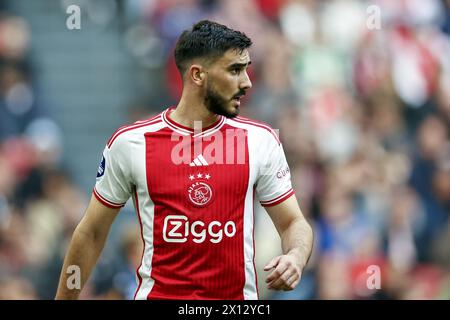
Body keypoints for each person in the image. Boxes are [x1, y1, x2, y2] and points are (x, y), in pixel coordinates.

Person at [55, 20, 313, 300]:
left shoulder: (260, 141)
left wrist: (296, 256)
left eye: (246, 70)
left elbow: (293, 223)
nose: (247, 82)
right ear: (197, 75)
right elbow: (91, 232)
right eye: (235, 70)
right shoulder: (131, 144)